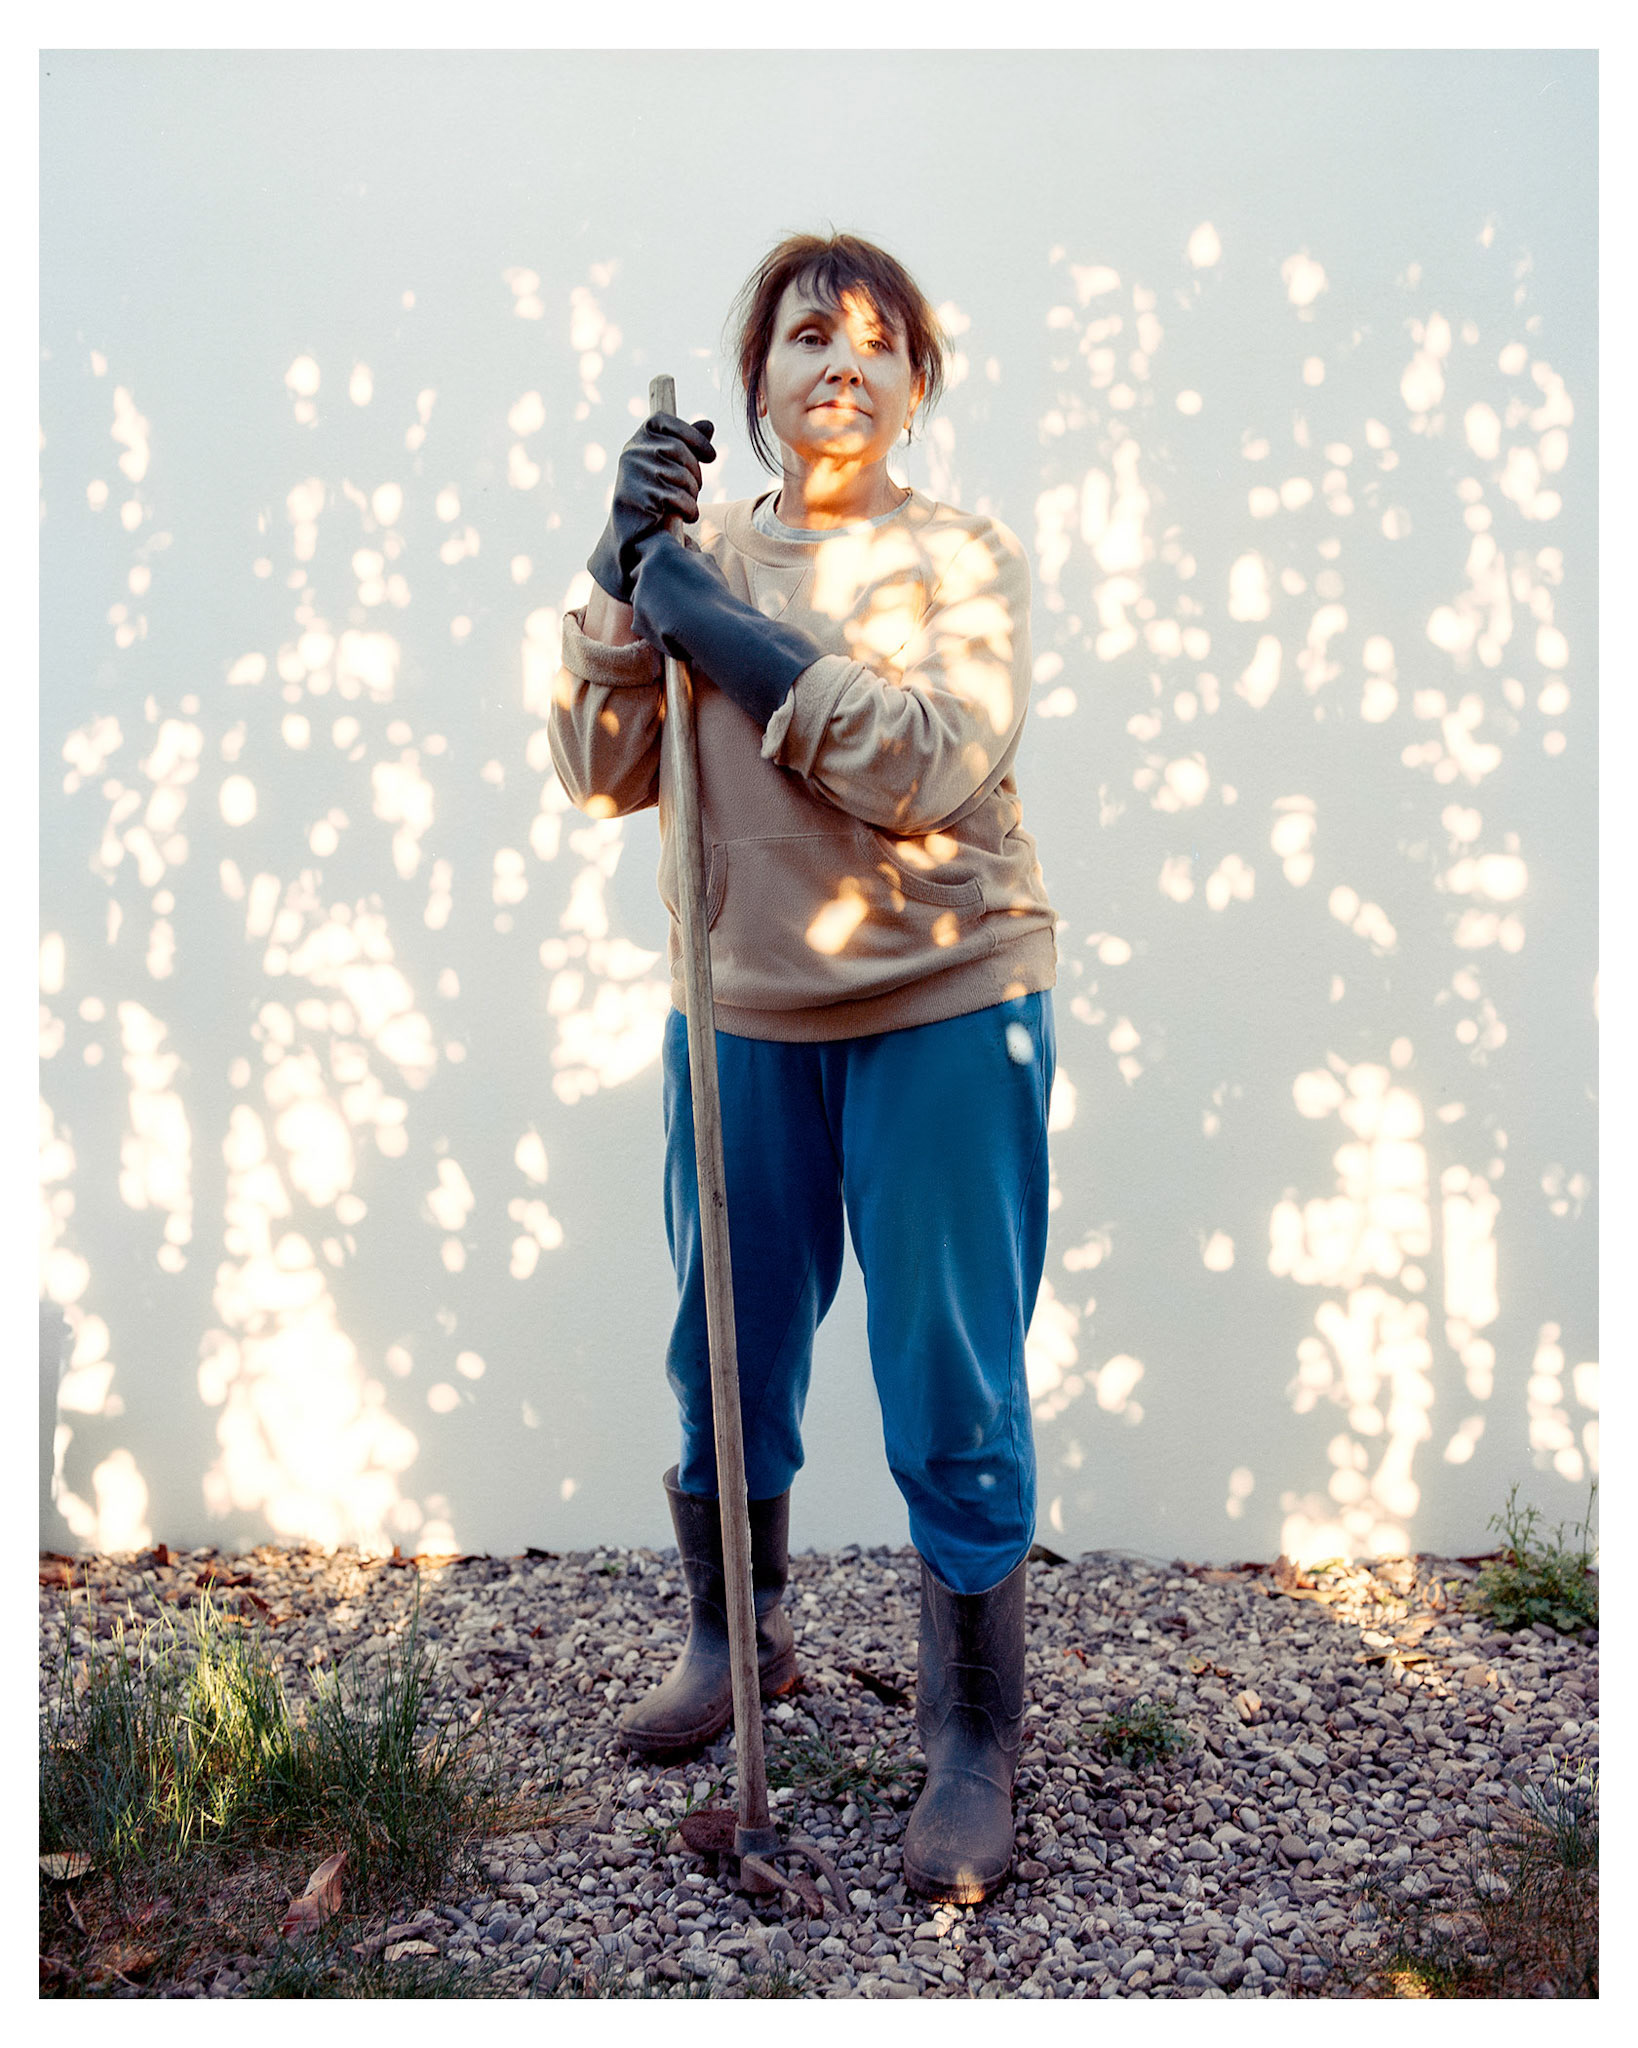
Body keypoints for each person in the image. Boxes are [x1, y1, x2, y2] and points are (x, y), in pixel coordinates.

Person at [548, 231, 1057, 1905]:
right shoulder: (686, 554)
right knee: (727, 1351)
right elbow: (601, 767)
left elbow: (921, 764)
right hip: (739, 1009)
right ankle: (733, 1635)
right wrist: (623, 575)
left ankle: (969, 1738)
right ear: (754, 380)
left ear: (915, 383)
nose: (840, 360)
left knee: (949, 1373)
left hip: (943, 1003)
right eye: (803, 335)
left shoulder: (961, 559)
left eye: (876, 340)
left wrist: (720, 627)